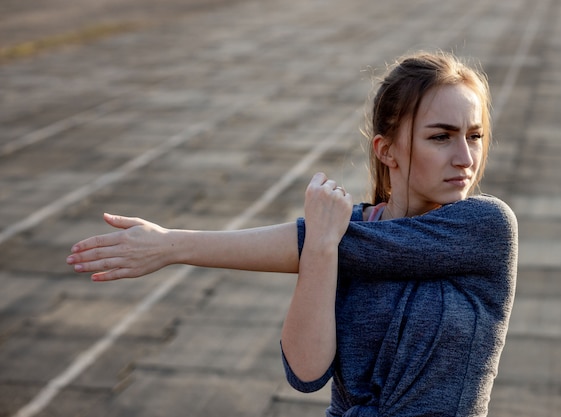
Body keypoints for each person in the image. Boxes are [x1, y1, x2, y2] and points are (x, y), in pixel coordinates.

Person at [66, 50, 518, 417]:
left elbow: (353, 246)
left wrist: (171, 245)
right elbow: (305, 372)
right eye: (441, 137)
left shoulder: (485, 228)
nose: (465, 157)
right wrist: (320, 249)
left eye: (474, 136)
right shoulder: (335, 236)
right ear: (388, 150)